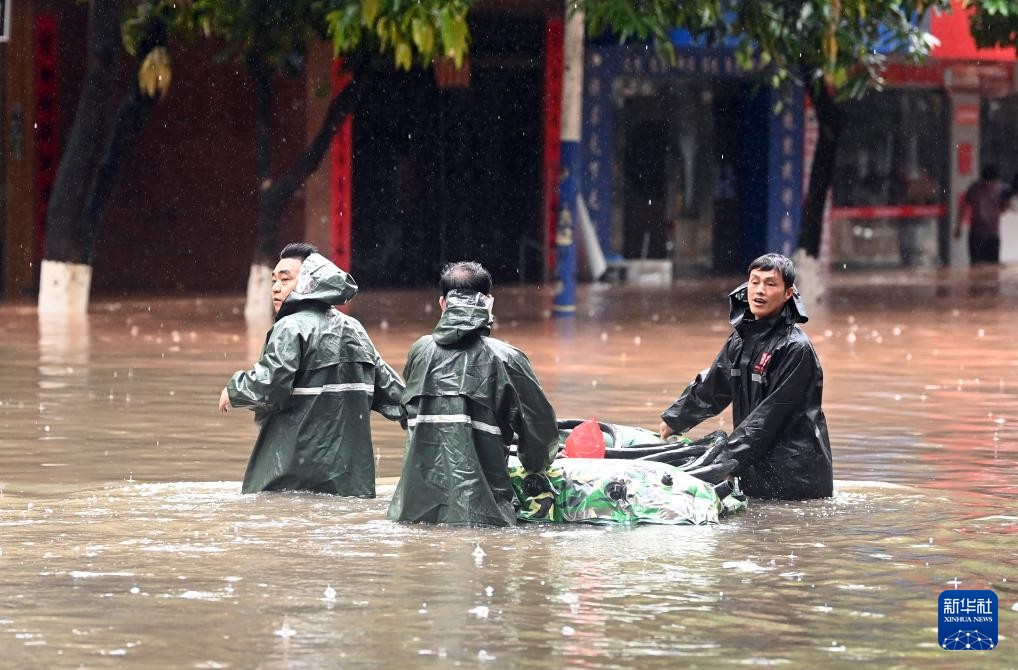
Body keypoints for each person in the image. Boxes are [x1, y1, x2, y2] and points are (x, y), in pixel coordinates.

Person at [218, 242, 404, 496]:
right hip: (349, 482)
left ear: (309, 282)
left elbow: (270, 383)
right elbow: (393, 393)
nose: (275, 288)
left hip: (290, 475)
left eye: (285, 280)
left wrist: (235, 389)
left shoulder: (290, 327)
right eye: (274, 280)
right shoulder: (355, 329)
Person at [387, 261, 559, 526]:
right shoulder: (507, 359)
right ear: (488, 303)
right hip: (483, 516)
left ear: (443, 304)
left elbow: (405, 416)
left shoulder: (420, 351)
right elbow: (539, 432)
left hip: (411, 513)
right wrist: (534, 465)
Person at [656, 253, 833, 500]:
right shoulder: (741, 338)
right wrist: (676, 419)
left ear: (787, 294)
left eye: (770, 284)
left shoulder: (796, 349)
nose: (760, 290)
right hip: (754, 470)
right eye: (755, 281)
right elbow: (715, 385)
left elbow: (767, 419)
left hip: (796, 480)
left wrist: (724, 463)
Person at [956, 165, 1007, 265]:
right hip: (976, 234)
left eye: (992, 182)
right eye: (987, 182)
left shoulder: (1000, 189)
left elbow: (1002, 210)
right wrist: (959, 226)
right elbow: (963, 207)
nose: (989, 185)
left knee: (993, 267)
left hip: (993, 234)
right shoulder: (974, 189)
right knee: (976, 265)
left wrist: (1005, 204)